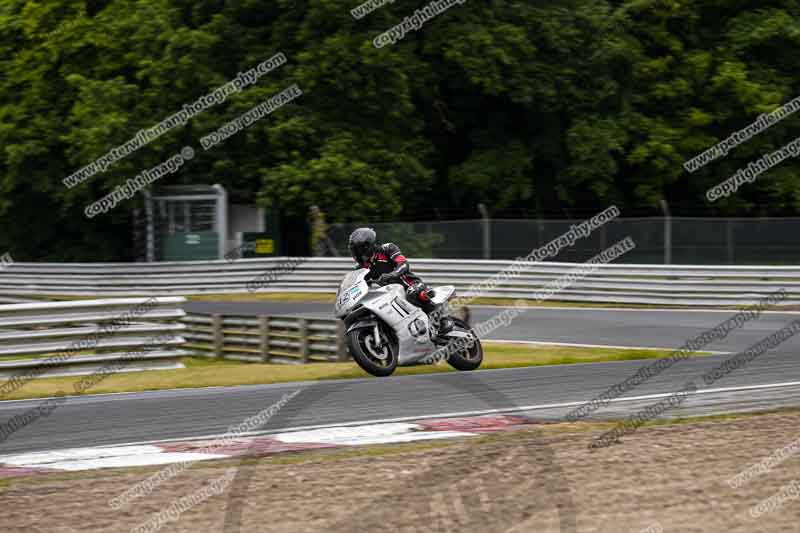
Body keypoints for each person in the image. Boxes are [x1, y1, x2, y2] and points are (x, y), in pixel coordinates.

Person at [348, 227, 453, 336]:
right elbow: (360, 286)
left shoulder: (387, 249)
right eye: (354, 250)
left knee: (413, 293)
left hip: (411, 285)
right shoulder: (361, 268)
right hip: (392, 294)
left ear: (368, 246)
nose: (356, 253)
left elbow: (403, 264)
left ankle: (443, 319)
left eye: (358, 249)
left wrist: (392, 274)